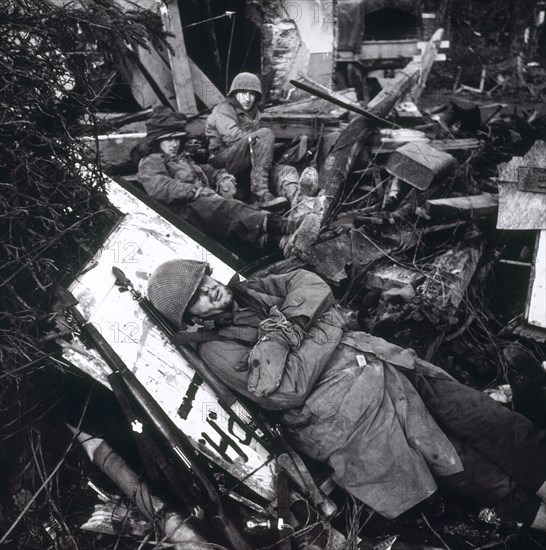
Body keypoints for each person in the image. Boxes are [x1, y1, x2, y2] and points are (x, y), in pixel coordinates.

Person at [147, 259, 546, 532]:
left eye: (206, 279)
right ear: (193, 317)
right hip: (354, 412)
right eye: (198, 294)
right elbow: (285, 389)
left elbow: (310, 282)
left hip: (388, 363)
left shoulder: (252, 291)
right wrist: (321, 324)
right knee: (472, 471)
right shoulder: (216, 349)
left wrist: (294, 325)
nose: (211, 289)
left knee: (495, 421)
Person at [133, 106, 320, 257]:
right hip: (185, 212)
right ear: (156, 141)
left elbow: (207, 170)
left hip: (204, 206)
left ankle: (286, 243)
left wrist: (222, 177)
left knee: (236, 221)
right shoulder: (150, 161)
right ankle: (290, 226)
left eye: (176, 139)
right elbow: (160, 188)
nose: (174, 144)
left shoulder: (182, 159)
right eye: (168, 140)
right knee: (232, 209)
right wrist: (196, 191)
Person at [206, 72, 313, 210]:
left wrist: (273, 147)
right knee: (266, 134)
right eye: (243, 92)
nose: (248, 98)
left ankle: (299, 204)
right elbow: (232, 137)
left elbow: (254, 144)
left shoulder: (254, 112)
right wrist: (264, 141)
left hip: (245, 166)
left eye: (252, 94)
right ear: (235, 93)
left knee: (288, 170)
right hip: (221, 161)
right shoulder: (223, 109)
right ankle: (260, 194)